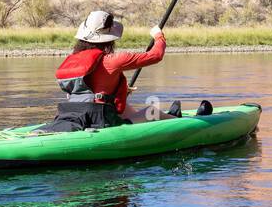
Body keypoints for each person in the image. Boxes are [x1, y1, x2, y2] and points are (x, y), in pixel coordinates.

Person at [42, 10, 174, 131]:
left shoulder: (74, 59)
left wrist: (120, 90)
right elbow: (155, 55)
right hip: (99, 119)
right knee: (151, 111)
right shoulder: (113, 60)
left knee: (126, 107)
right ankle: (184, 123)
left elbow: (87, 90)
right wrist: (158, 36)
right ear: (109, 39)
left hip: (71, 113)